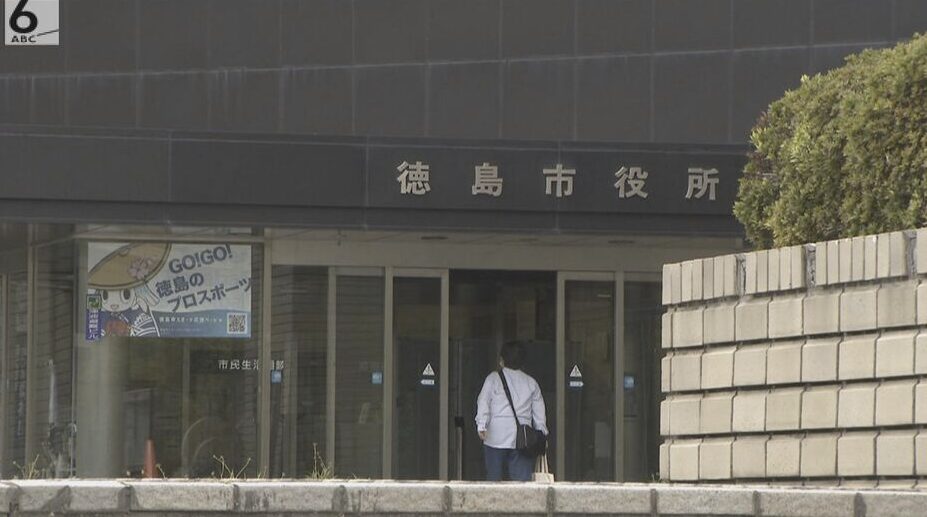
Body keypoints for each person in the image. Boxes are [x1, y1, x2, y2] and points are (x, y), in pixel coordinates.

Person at [475, 341, 549, 481]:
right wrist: (542, 433)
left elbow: (483, 401)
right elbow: (539, 412)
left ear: (501, 360)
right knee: (521, 484)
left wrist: (481, 424)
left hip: (495, 436)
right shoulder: (531, 383)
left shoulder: (493, 379)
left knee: (494, 482)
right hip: (523, 439)